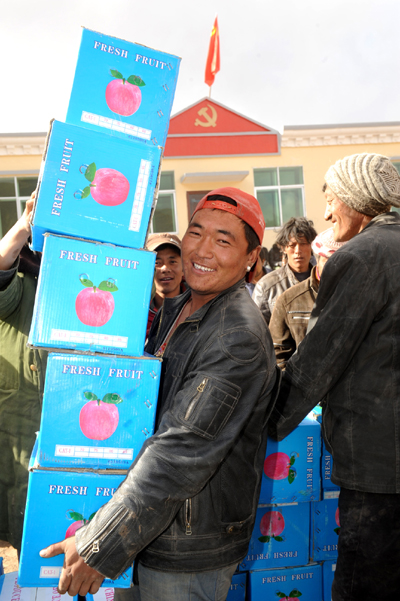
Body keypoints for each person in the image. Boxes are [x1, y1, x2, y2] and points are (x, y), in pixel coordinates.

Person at [40, 186, 279, 601]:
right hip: (148, 524)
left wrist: (101, 542)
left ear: (250, 259)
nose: (202, 250)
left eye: (223, 240)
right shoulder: (182, 305)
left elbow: (180, 451)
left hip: (186, 546)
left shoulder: (235, 336)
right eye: (196, 232)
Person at [267, 153, 400, 600]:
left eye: (332, 198)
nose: (326, 213)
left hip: (381, 471)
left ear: (360, 200)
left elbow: (318, 360)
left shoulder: (363, 256)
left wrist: (263, 425)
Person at [0, 195, 47, 554]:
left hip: (75, 423)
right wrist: (24, 224)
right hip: (19, 431)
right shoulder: (19, 282)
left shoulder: (91, 280)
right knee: (27, 533)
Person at [269, 227, 343, 369]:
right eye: (329, 260)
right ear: (319, 259)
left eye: (342, 262)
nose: (336, 268)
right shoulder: (289, 300)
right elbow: (277, 353)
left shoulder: (360, 294)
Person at [252, 217, 317, 324]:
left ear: (312, 246)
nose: (298, 251)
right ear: (284, 248)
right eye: (292, 245)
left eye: (303, 244)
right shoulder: (266, 286)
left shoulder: (324, 281)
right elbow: (257, 330)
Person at [145, 233, 184, 337]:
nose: (165, 269)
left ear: (184, 269)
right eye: (157, 263)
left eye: (172, 261)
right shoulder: (137, 312)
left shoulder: (197, 307)